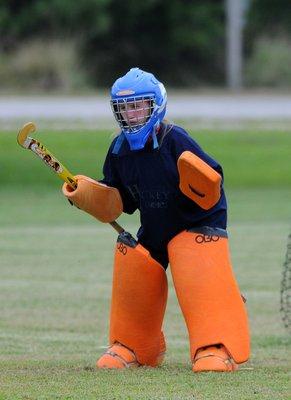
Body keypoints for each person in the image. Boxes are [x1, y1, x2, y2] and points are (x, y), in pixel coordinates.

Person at [62, 67, 250, 372]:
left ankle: (216, 345)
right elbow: (121, 199)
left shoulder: (176, 140)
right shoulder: (119, 150)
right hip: (155, 226)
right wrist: (87, 194)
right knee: (135, 261)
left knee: (194, 262)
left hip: (195, 224)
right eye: (124, 108)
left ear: (154, 105)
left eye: (137, 105)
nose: (131, 114)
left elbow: (211, 181)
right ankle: (134, 346)